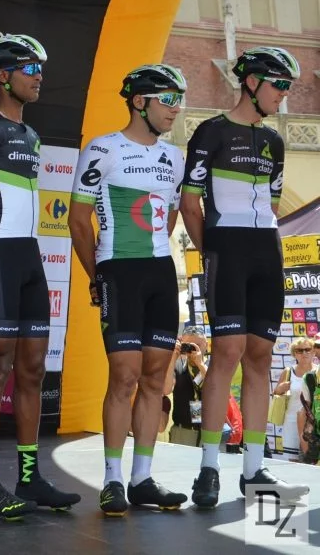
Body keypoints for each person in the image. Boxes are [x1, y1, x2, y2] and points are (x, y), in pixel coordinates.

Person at [0, 35, 79, 519]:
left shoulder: (31, 134)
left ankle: (30, 478)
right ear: (3, 76)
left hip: (29, 258)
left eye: (41, 69)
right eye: (30, 68)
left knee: (33, 369)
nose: (39, 76)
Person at [180, 46, 309, 507]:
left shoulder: (274, 141)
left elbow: (271, 207)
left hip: (266, 254)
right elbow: (189, 204)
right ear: (251, 83)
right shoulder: (210, 131)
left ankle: (254, 469)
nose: (284, 94)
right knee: (227, 354)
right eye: (279, 85)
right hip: (227, 251)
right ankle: (209, 467)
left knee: (260, 357)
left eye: (288, 87)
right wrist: (212, 253)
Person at [70, 64, 190, 515]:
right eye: (167, 99)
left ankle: (142, 478)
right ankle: (112, 479)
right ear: (140, 102)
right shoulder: (103, 148)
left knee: (155, 379)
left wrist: (153, 248)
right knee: (123, 376)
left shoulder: (174, 156)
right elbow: (78, 220)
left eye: (178, 100)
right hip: (117, 270)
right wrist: (96, 273)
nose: (175, 109)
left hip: (160, 271)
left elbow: (171, 216)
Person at [164, 327, 209, 449]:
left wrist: (200, 364)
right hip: (182, 432)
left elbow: (215, 390)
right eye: (189, 345)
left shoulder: (214, 365)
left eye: (198, 345)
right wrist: (173, 358)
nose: (193, 349)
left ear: (206, 344)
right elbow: (166, 389)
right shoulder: (177, 365)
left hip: (209, 432)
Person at [273, 337, 314, 456]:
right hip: (291, 423)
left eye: (307, 349)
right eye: (299, 350)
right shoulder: (288, 372)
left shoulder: (318, 371)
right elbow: (276, 394)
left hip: (314, 423)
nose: (304, 353)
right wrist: (280, 389)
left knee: (312, 459)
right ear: (294, 354)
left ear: (313, 352)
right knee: (291, 460)